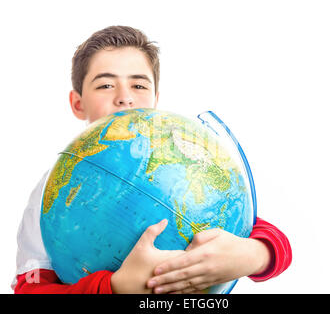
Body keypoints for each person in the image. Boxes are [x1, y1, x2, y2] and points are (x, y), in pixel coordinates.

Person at [13, 25, 292, 294]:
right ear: (78, 103)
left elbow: (270, 240)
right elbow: (29, 288)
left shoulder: (179, 161)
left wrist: (254, 254)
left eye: (138, 85)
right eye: (106, 85)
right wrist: (115, 287)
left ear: (155, 100)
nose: (125, 98)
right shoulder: (52, 190)